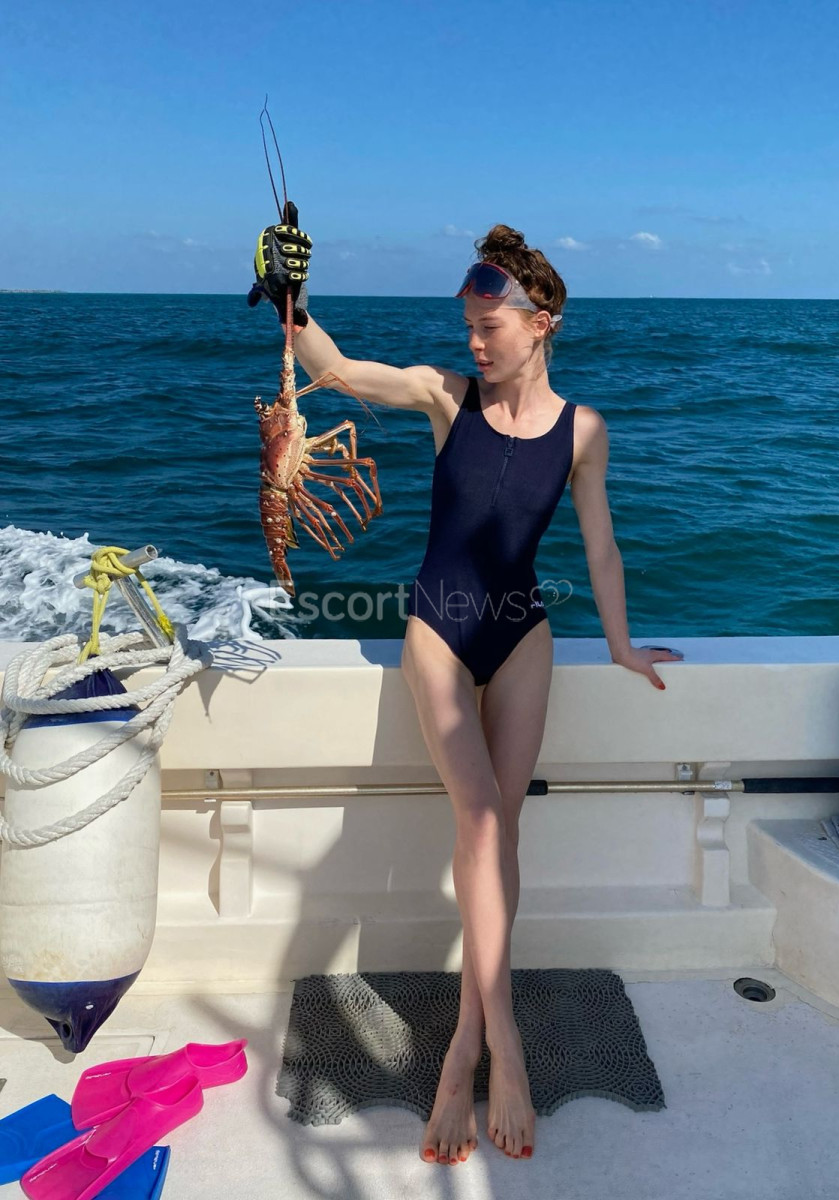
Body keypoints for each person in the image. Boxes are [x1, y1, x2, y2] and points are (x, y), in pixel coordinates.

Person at [250, 221, 684, 1166]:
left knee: (502, 830)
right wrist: (294, 303)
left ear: (542, 322)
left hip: (522, 634)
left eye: (490, 327)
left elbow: (602, 546)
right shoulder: (448, 399)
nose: (475, 344)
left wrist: (618, 644)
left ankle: (473, 1033)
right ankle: (487, 1044)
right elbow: (339, 373)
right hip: (440, 635)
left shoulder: (583, 432)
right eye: (469, 328)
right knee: (482, 820)